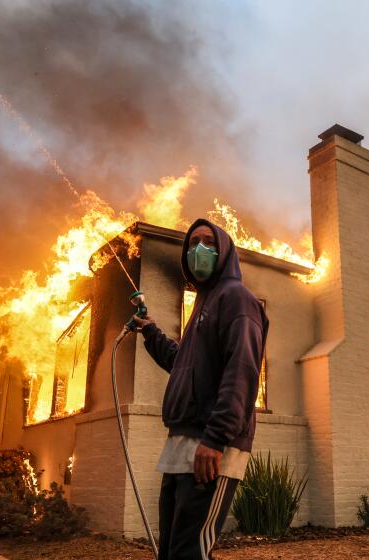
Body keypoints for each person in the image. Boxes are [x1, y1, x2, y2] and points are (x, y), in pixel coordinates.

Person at [132, 218, 268, 560]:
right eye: (192, 244)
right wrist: (150, 332)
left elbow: (243, 370)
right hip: (180, 445)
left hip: (211, 446)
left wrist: (216, 438)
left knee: (191, 552)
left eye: (208, 242)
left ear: (224, 252)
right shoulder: (203, 305)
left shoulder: (237, 298)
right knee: (172, 551)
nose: (199, 250)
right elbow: (184, 365)